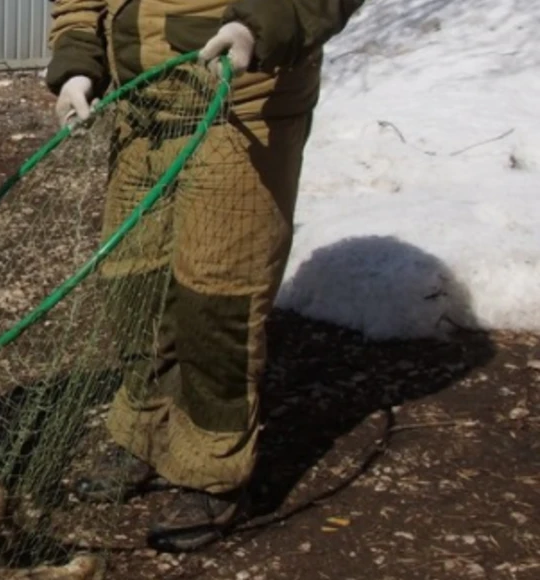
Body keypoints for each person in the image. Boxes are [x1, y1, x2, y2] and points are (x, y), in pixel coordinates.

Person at [47, 0, 364, 552]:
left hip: (241, 103)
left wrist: (256, 26)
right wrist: (79, 63)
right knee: (133, 285)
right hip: (141, 107)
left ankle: (210, 465)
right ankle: (145, 431)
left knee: (215, 300)